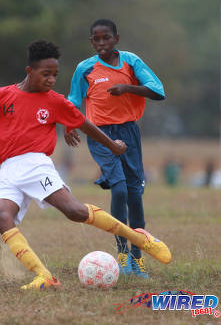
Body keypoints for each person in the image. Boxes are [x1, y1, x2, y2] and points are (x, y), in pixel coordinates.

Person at [0, 40, 171, 290]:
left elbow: (83, 122)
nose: (52, 80)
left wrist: (112, 145)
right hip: (7, 169)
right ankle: (44, 275)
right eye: (46, 74)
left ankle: (140, 239)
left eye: (55, 74)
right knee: (1, 216)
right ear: (29, 71)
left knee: (74, 211)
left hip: (36, 165)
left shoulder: (54, 101)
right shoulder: (2, 96)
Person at [67, 19, 166, 278]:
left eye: (106, 38)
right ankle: (121, 253)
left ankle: (137, 257)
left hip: (129, 133)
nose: (102, 44)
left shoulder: (131, 62)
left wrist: (128, 88)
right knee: (119, 189)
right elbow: (73, 100)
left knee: (135, 195)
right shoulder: (85, 68)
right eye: (96, 40)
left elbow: (158, 91)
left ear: (116, 39)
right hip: (100, 134)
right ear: (91, 42)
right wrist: (69, 125)